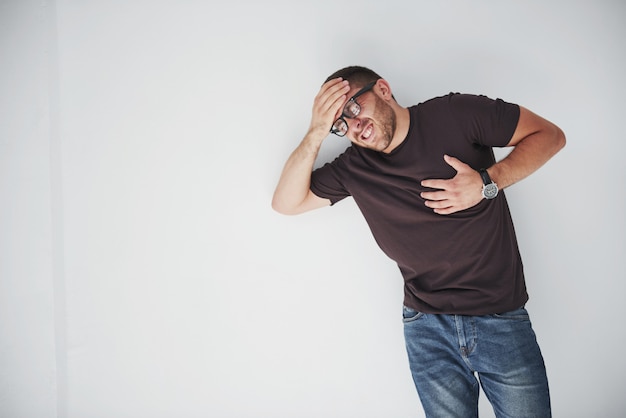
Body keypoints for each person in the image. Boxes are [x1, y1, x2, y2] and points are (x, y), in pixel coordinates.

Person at [271, 65, 565, 417]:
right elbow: (286, 203)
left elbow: (550, 135)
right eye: (340, 124)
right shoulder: (354, 168)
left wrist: (487, 181)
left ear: (382, 89)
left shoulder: (457, 114)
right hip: (426, 328)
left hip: (499, 316)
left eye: (353, 108)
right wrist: (316, 132)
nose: (354, 126)